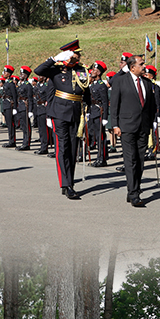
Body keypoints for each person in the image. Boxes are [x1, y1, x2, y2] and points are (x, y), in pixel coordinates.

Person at [34, 40, 93, 200]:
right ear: (68, 54)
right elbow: (38, 70)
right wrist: (54, 59)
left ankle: (70, 182)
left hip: (76, 113)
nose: (79, 56)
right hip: (59, 113)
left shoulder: (82, 70)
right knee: (62, 148)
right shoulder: (56, 69)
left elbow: (85, 90)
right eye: (76, 53)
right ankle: (66, 184)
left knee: (73, 149)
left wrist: (87, 109)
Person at [109, 53, 156, 206]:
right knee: (130, 160)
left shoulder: (147, 83)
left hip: (143, 126)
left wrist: (152, 123)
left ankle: (133, 189)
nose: (144, 67)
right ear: (132, 67)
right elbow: (114, 105)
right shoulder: (121, 81)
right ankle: (134, 193)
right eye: (141, 64)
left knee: (140, 160)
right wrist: (114, 125)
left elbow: (151, 106)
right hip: (126, 126)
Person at [87, 61, 110, 167]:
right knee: (95, 135)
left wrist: (105, 117)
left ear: (99, 72)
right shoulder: (93, 85)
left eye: (95, 70)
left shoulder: (101, 85)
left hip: (99, 113)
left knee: (100, 137)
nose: (92, 71)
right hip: (93, 112)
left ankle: (102, 158)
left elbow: (105, 102)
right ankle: (99, 157)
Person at [14, 66, 33, 151]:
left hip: (25, 106)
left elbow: (30, 98)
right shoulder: (21, 84)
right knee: (23, 126)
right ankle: (24, 142)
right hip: (21, 106)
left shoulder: (28, 85)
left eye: (22, 73)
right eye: (20, 73)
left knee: (27, 126)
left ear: (26, 75)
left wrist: (30, 110)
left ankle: (27, 143)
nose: (20, 75)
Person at [0, 65, 17, 148]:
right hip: (6, 104)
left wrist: (15, 108)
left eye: (5, 72)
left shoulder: (11, 84)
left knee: (11, 124)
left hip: (10, 105)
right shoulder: (7, 82)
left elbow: (14, 96)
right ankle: (10, 140)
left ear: (9, 74)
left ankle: (12, 141)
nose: (4, 73)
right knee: (8, 124)